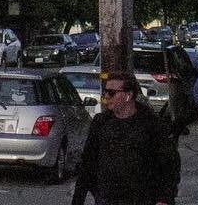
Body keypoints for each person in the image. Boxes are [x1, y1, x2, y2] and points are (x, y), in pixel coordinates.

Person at [72, 71, 180, 205]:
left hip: (143, 196)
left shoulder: (151, 124)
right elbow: (88, 161)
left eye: (111, 93)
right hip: (108, 197)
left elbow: (169, 164)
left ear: (128, 95)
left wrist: (164, 198)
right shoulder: (101, 122)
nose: (106, 96)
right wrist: (78, 198)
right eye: (105, 92)